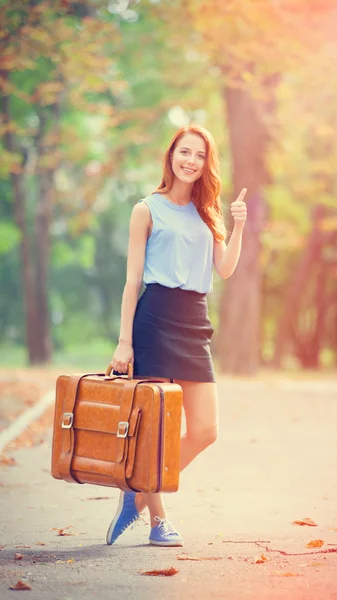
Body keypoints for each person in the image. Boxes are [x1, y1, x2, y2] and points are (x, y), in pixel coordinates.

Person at [106, 124, 247, 547]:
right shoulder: (146, 210)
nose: (191, 161)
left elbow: (223, 269)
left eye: (200, 155)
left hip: (194, 319)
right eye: (184, 152)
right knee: (158, 430)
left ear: (207, 163)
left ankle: (137, 489)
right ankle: (158, 522)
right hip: (155, 319)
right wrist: (124, 341)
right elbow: (132, 282)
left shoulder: (209, 212)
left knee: (205, 429)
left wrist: (238, 227)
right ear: (171, 157)